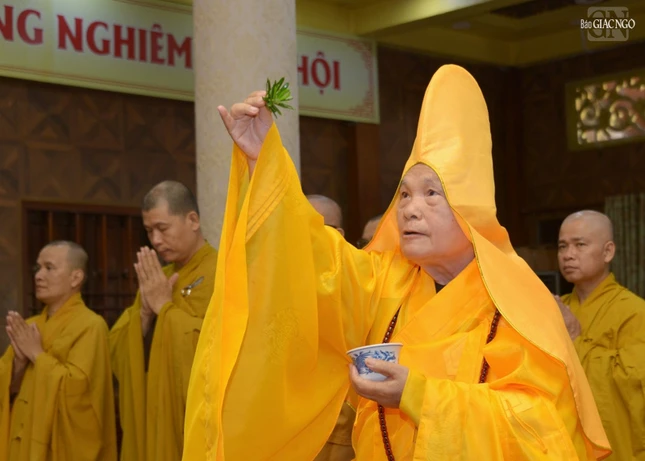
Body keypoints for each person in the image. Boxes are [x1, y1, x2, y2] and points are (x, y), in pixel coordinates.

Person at [183, 65, 610, 460]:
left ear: (470, 208)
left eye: (431, 193)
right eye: (404, 194)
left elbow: (541, 426)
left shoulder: (516, 301)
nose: (409, 209)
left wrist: (418, 395)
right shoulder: (387, 279)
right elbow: (312, 260)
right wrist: (264, 160)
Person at [110, 181, 218, 461]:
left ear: (192, 220)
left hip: (197, 425)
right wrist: (145, 315)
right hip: (156, 417)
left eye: (162, 228)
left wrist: (165, 309)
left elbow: (217, 352)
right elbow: (117, 353)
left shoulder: (223, 272)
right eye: (149, 231)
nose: (155, 240)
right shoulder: (157, 279)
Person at [0, 241, 117, 460]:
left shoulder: (91, 326)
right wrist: (18, 365)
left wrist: (37, 355)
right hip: (21, 443)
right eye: (38, 268)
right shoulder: (30, 327)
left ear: (75, 278)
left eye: (49, 268)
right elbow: (7, 389)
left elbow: (81, 395)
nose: (38, 276)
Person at [557, 210, 645, 460]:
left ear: (608, 252)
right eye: (562, 246)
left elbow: (635, 383)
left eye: (580, 244)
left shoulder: (634, 312)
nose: (568, 254)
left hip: (615, 446)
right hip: (565, 443)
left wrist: (576, 340)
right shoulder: (557, 309)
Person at [307, 194, 355, 461]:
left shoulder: (359, 282)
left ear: (339, 235)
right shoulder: (276, 280)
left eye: (316, 228)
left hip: (340, 426)